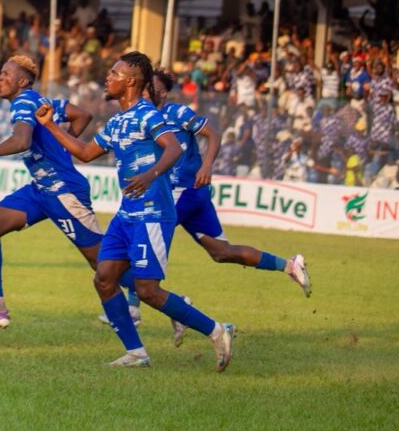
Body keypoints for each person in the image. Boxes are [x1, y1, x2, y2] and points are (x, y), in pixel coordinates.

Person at [33, 52, 235, 371]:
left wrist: (150, 175)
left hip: (153, 213)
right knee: (104, 278)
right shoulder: (116, 121)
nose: (107, 77)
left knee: (147, 291)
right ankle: (136, 353)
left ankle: (216, 330)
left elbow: (174, 147)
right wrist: (50, 126)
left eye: (114, 73)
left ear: (130, 81)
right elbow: (85, 152)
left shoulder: (148, 115)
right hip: (126, 214)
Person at [148, 70, 310, 346]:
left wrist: (207, 165)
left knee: (144, 241)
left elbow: (214, 133)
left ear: (162, 93)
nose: (144, 91)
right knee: (221, 252)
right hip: (191, 194)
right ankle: (289, 265)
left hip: (184, 191)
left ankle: (142, 311)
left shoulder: (176, 113)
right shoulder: (144, 117)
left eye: (150, 87)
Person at [0, 55, 105, 329]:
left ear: (22, 81)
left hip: (63, 190)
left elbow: (21, 141)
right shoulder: (41, 101)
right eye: (0, 73)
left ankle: (166, 303)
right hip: (40, 189)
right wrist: (61, 147)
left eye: (6, 74)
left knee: (102, 263)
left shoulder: (24, 102)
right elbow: (82, 115)